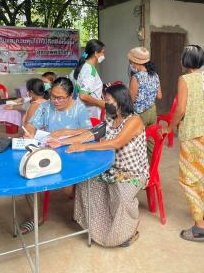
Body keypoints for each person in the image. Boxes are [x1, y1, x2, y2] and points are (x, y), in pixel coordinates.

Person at [50, 84, 148, 248]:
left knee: (121, 195)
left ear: (119, 101)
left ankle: (128, 232)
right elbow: (89, 134)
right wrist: (59, 142)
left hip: (133, 173)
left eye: (107, 100)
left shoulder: (134, 120)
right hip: (112, 168)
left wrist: (84, 147)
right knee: (87, 182)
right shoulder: (111, 119)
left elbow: (116, 143)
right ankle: (99, 226)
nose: (105, 103)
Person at [19, 77, 92, 234]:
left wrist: (66, 133)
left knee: (67, 187)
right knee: (28, 173)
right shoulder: (45, 106)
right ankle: (36, 217)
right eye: (52, 96)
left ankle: (80, 206)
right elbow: (31, 124)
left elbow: (89, 132)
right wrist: (30, 132)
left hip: (71, 153)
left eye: (60, 98)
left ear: (71, 96)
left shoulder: (79, 108)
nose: (55, 101)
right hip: (48, 151)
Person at [163, 45, 204, 242]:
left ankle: (199, 227)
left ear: (184, 61)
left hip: (193, 134)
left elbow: (180, 109)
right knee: (202, 175)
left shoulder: (184, 79)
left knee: (188, 178)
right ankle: (202, 211)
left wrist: (170, 128)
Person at [127, 46, 162, 157]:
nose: (130, 65)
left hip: (140, 114)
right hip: (153, 111)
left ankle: (140, 169)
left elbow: (131, 101)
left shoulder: (136, 78)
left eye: (131, 62)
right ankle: (151, 168)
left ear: (135, 63)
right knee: (151, 141)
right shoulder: (155, 75)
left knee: (137, 142)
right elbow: (159, 96)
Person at [70, 39, 106, 119]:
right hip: (90, 114)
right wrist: (101, 103)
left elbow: (76, 92)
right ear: (96, 53)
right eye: (103, 52)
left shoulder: (80, 67)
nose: (104, 55)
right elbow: (83, 95)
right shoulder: (90, 71)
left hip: (78, 110)